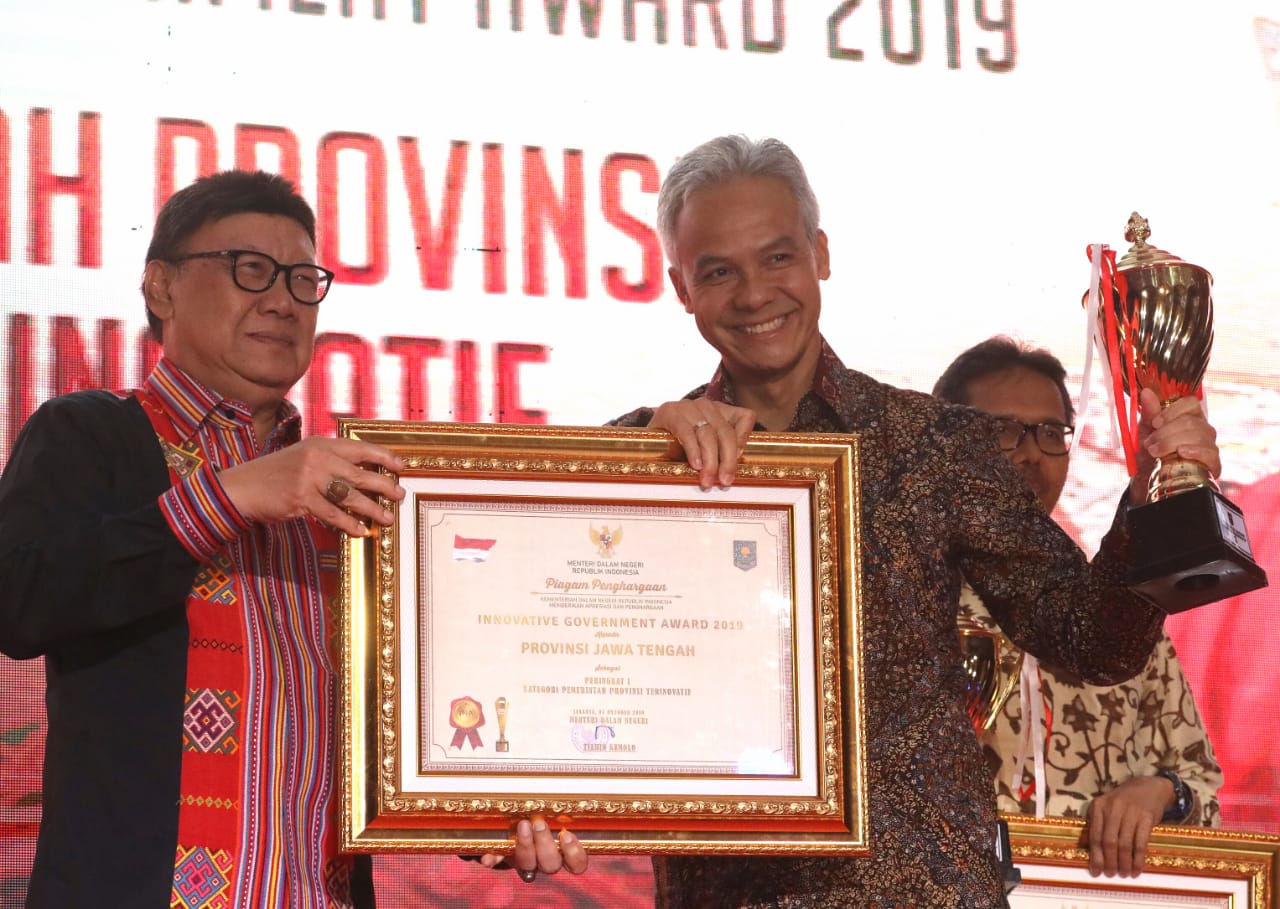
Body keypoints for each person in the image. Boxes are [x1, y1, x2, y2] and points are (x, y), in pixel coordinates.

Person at [608, 135, 1222, 907]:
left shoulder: (935, 444)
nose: (755, 293)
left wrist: (1156, 497)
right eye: (719, 271)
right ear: (680, 287)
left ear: (820, 254)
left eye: (777, 257)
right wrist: (527, 812)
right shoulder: (639, 460)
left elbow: (1092, 642)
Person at [0, 170, 585, 908]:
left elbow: (398, 732)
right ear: (161, 287)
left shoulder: (354, 490)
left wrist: (493, 813)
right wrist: (233, 495)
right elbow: (19, 601)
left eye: (303, 280)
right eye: (250, 269)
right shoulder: (91, 433)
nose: (282, 300)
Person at [934, 336, 1223, 876]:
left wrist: (1162, 792)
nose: (1030, 454)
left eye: (1051, 433)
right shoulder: (902, 602)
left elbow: (1203, 794)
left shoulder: (1125, 615)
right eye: (1001, 430)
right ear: (940, 446)